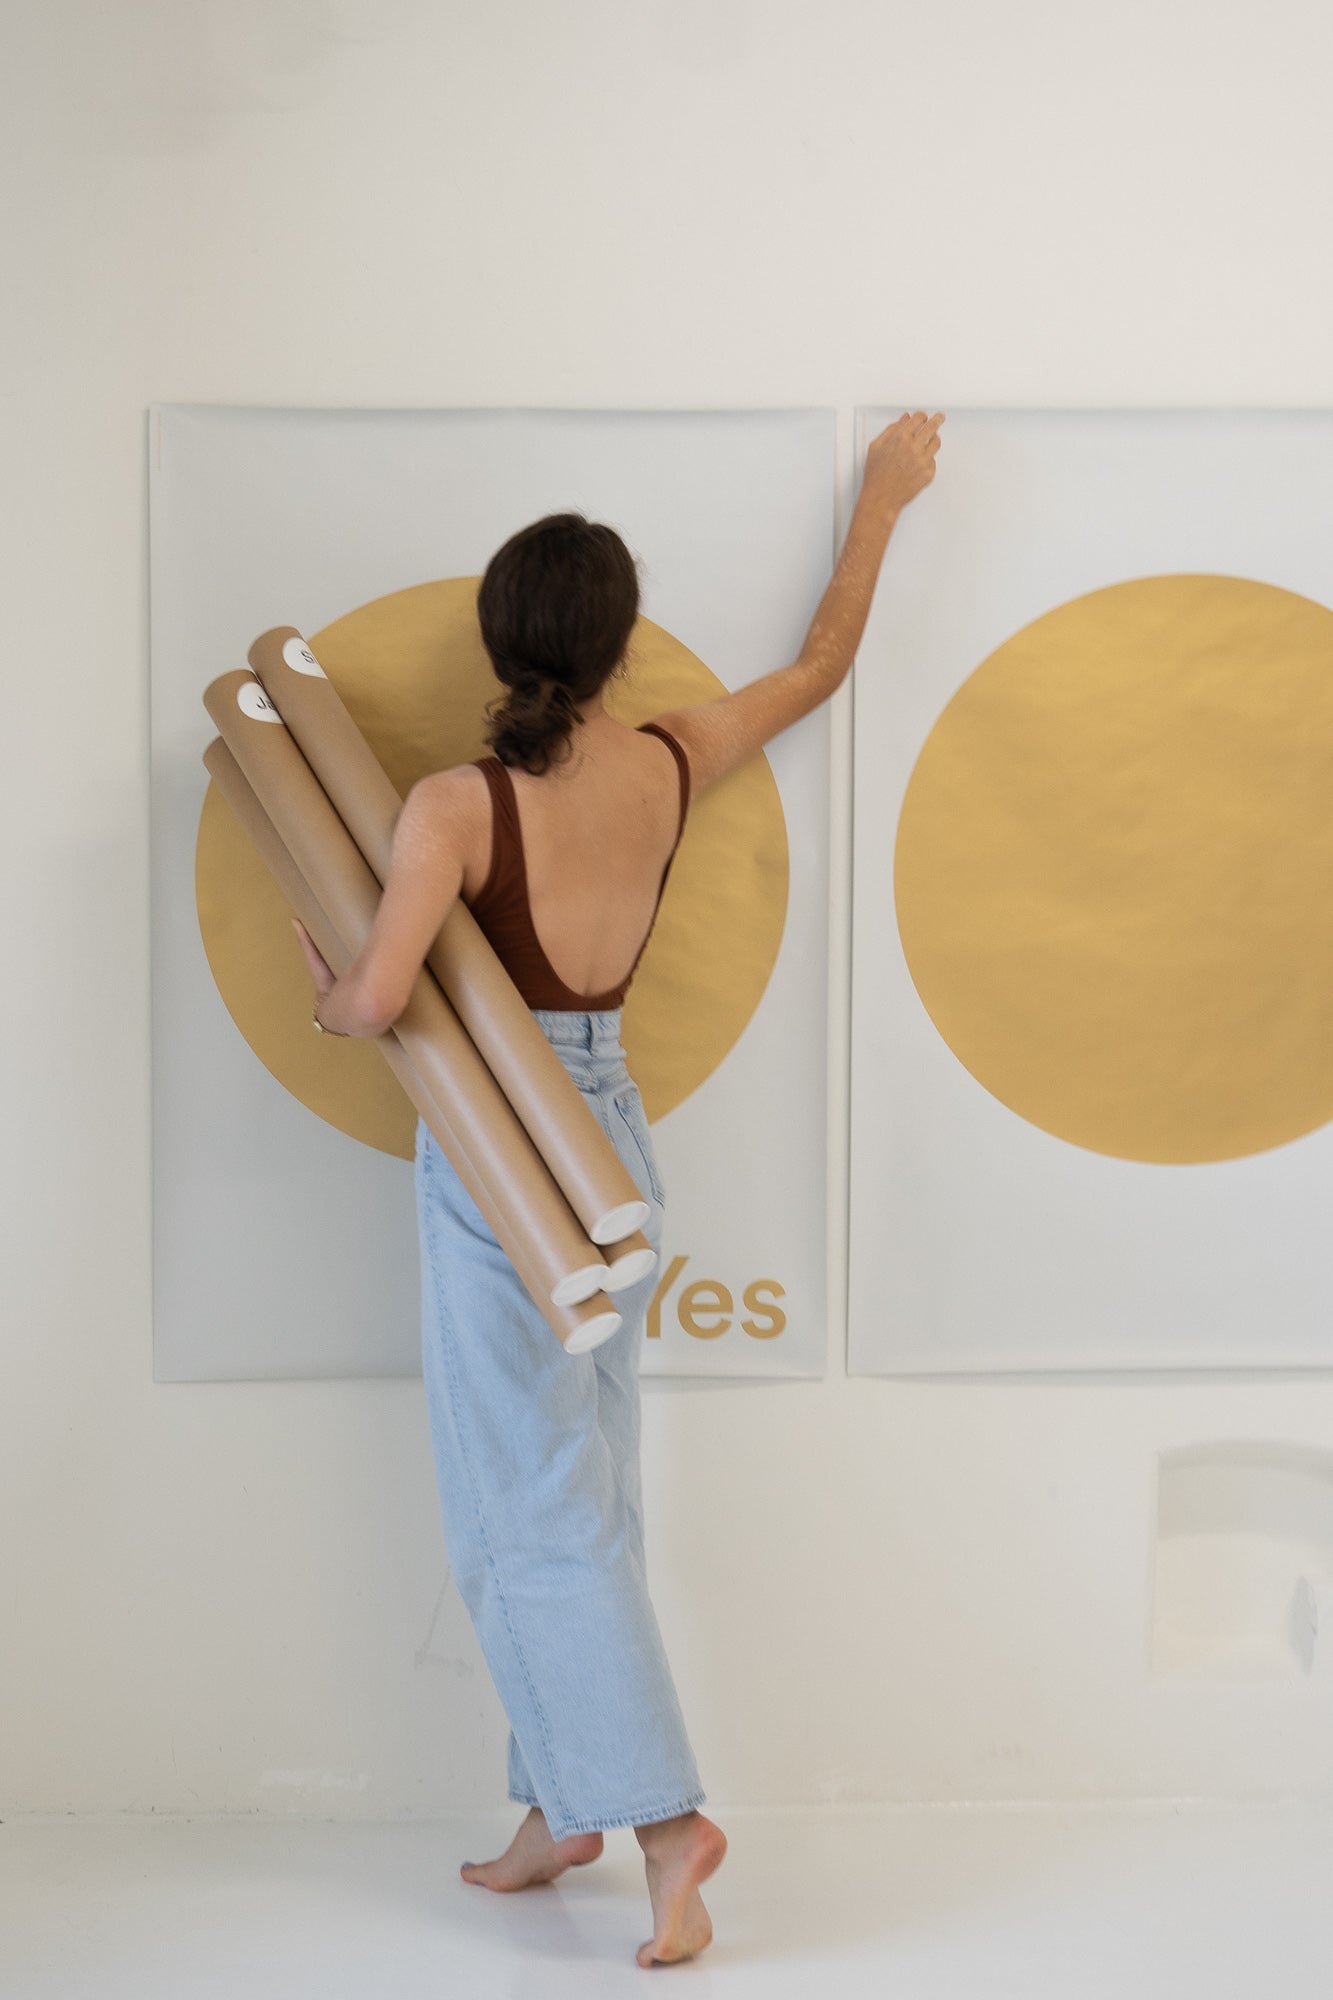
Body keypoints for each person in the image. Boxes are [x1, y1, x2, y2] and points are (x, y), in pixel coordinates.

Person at [292, 407, 944, 1966]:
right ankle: (558, 1810)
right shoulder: (666, 762)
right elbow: (820, 665)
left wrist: (332, 979)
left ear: (496, 640)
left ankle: (666, 1826)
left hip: (498, 1154)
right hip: (611, 1144)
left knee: (526, 1510)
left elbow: (380, 1004)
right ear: (621, 644)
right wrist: (883, 500)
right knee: (586, 1488)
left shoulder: (455, 805)